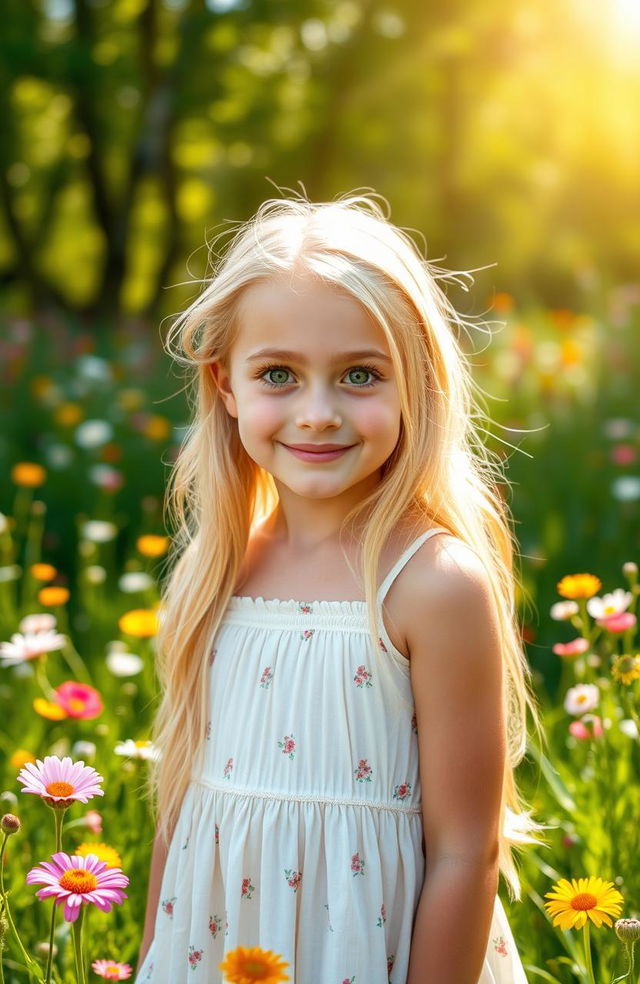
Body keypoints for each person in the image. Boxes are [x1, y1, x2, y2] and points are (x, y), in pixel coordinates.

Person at [135, 191, 545, 984]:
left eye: (360, 374)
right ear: (225, 385)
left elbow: (467, 850)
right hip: (216, 952)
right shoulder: (218, 570)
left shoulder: (431, 584)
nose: (317, 414)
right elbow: (180, 812)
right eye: (278, 375)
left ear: (416, 382)